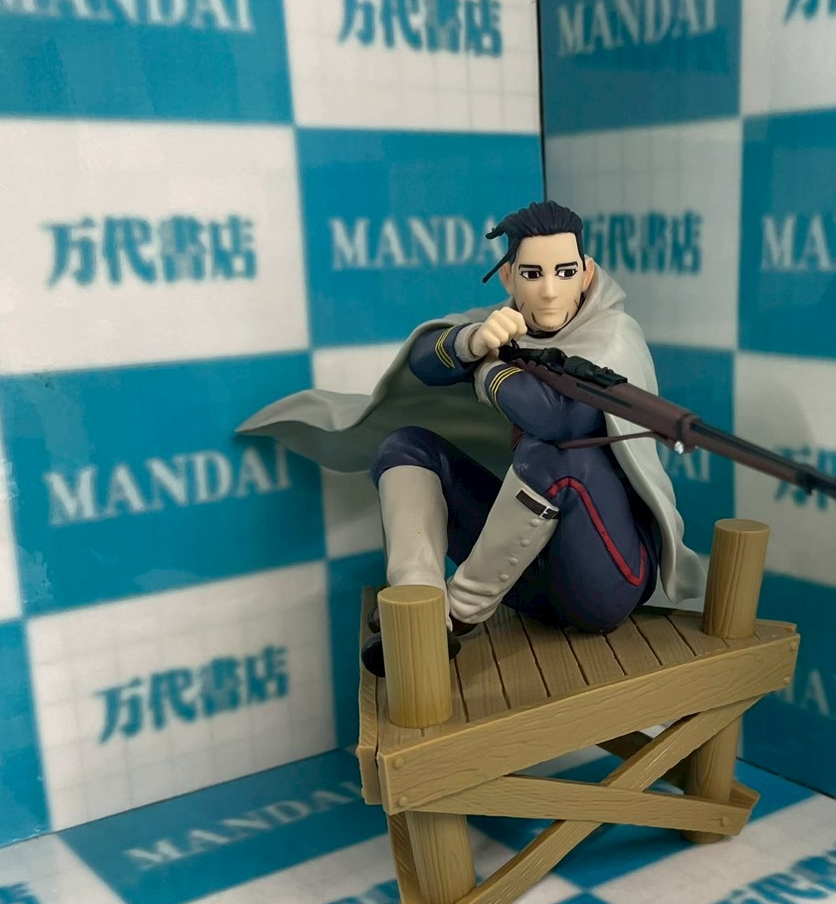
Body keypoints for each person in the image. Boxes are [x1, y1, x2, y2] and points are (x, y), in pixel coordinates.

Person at [236, 199, 704, 676]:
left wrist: (486, 371)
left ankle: (456, 613)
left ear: (586, 274)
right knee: (405, 447)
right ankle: (418, 602)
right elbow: (424, 356)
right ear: (508, 278)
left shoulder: (613, 337)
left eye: (564, 273)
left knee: (554, 457)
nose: (548, 291)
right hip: (528, 577)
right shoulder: (506, 319)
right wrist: (472, 341)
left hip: (604, 582)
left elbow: (558, 422)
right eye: (532, 274)